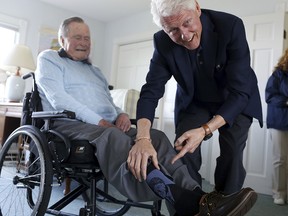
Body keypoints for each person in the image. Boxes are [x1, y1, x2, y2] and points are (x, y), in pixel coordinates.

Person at [35, 16, 257, 216]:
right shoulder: (49, 59)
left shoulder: (95, 72)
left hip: (104, 125)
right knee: (113, 137)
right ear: (62, 39)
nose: (84, 42)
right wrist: (103, 122)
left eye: (87, 37)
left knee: (156, 137)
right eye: (77, 37)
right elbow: (59, 100)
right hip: (68, 123)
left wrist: (120, 114)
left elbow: (107, 103)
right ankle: (188, 201)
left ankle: (202, 199)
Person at [136, 0, 263, 196]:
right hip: (195, 101)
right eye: (173, 30)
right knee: (183, 150)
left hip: (234, 98)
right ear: (164, 28)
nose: (184, 36)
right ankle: (191, 202)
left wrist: (205, 130)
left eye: (187, 23)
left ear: (196, 7)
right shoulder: (161, 42)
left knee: (232, 151)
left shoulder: (230, 26)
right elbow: (151, 91)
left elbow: (240, 92)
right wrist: (143, 137)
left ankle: (225, 201)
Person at [265, 49, 288, 205]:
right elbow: (270, 96)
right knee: (280, 159)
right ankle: (278, 193)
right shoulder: (278, 74)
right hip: (280, 121)